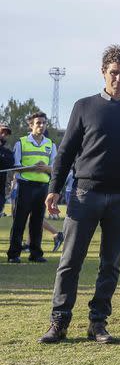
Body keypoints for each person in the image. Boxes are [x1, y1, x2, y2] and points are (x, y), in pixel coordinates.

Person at [38, 45, 120, 344]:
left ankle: (98, 322)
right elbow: (65, 153)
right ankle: (59, 321)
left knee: (110, 264)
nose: (119, 78)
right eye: (114, 73)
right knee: (69, 262)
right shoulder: (84, 106)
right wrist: (54, 189)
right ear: (103, 72)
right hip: (84, 194)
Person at [7, 112, 56, 263]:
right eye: (38, 123)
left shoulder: (50, 144)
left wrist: (46, 168)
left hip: (42, 187)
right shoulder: (21, 143)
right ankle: (13, 254)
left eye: (43, 123)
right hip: (25, 187)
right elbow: (15, 166)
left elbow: (55, 168)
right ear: (31, 125)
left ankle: (36, 254)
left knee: (37, 222)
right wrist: (32, 168)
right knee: (19, 222)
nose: (41, 126)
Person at [0, 123, 14, 217]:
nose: (4, 135)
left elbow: (9, 164)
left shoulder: (7, 152)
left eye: (6, 133)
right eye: (2, 132)